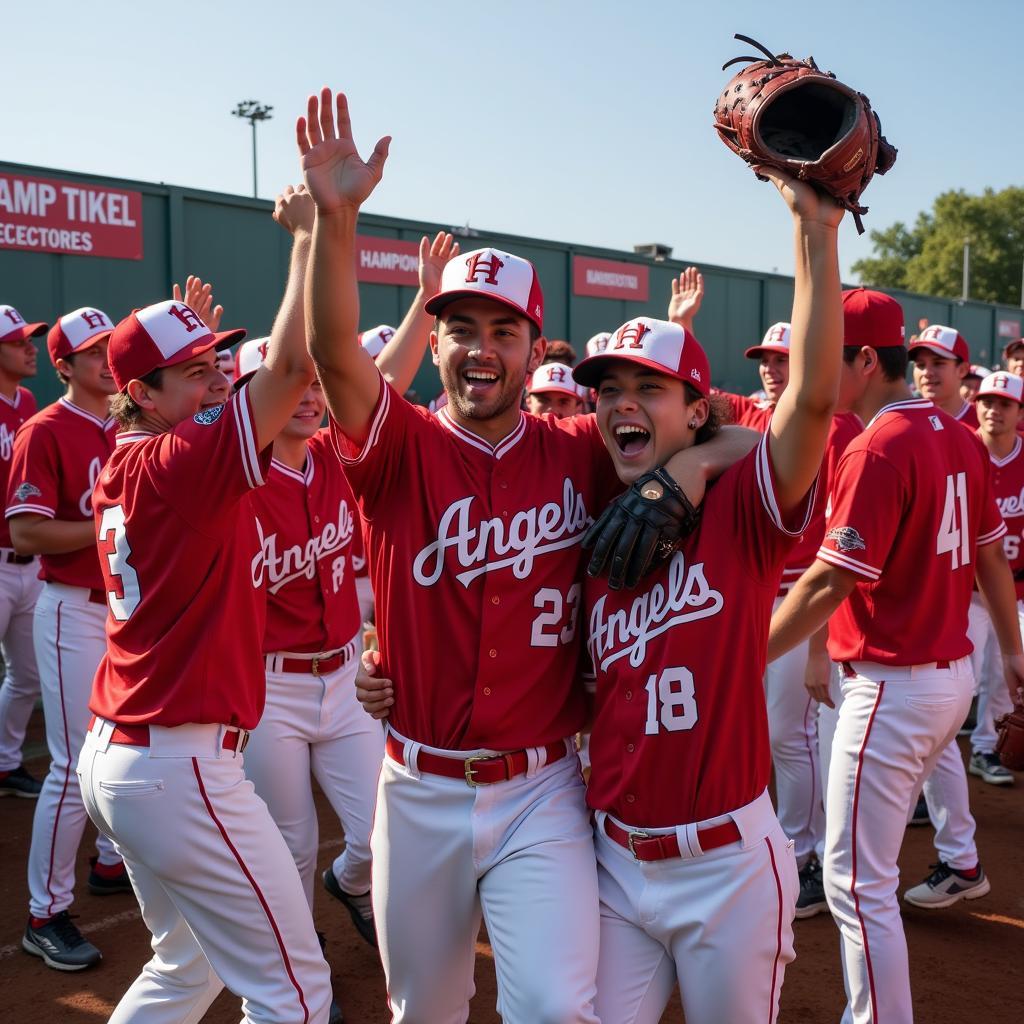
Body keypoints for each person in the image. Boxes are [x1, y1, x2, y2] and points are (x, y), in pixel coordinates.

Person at [298, 86, 748, 1023]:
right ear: (436, 345)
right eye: (462, 328)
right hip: (416, 785)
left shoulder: (586, 446)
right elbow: (335, 355)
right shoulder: (401, 450)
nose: (481, 349)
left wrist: (687, 469)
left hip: (543, 786)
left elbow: (751, 432)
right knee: (424, 1008)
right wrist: (336, 224)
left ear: (534, 345)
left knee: (551, 1008)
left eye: (504, 331)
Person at [571, 167, 843, 1024]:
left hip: (726, 865)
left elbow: (812, 400)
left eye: (649, 389)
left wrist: (816, 233)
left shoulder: (744, 513)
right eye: (609, 389)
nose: (622, 403)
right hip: (612, 862)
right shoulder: (591, 522)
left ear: (699, 413)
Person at [78, 185, 333, 1024]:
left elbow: (206, 402)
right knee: (295, 994)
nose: (220, 382)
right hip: (179, 764)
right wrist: (310, 237)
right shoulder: (176, 463)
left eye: (219, 364)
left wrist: (185, 350)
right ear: (142, 395)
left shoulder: (130, 456)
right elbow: (293, 369)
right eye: (197, 373)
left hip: (127, 750)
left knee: (186, 971)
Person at [768, 288, 1024, 1024]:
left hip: (892, 682)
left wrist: (747, 650)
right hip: (945, 680)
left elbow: (828, 578)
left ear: (867, 360)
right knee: (866, 877)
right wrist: (1008, 651)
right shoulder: (958, 436)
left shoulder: (876, 445)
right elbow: (992, 560)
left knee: (856, 884)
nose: (816, 377)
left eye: (826, 361)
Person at [668, 276, 862, 918]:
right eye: (767, 361)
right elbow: (693, 401)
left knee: (789, 737)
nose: (774, 369)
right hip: (745, 602)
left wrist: (814, 648)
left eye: (784, 359)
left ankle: (802, 853)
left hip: (797, 605)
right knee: (760, 730)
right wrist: (685, 326)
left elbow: (833, 548)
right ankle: (782, 841)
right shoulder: (750, 415)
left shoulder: (833, 430)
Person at [9, 307, 131, 972]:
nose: (108, 359)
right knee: (72, 764)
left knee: (128, 744)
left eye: (113, 346)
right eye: (94, 351)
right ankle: (44, 913)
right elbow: (27, 534)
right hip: (71, 607)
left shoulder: (127, 427)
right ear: (64, 366)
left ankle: (112, 862)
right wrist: (110, 526)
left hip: (123, 607)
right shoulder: (45, 430)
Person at [961, 370, 1022, 785]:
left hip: (1016, 588)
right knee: (959, 681)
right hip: (964, 590)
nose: (993, 410)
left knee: (1005, 676)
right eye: (986, 401)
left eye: (1003, 403)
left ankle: (985, 747)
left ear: (1019, 412)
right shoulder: (959, 449)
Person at [0, 304, 44, 799]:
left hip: (30, 565)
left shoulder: (28, 400)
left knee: (27, 676)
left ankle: (6, 762)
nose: (29, 347)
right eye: (18, 342)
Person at [909, 324, 978, 428]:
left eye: (938, 363)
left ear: (962, 370)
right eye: (920, 365)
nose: (926, 373)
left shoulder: (983, 423)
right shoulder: (905, 419)